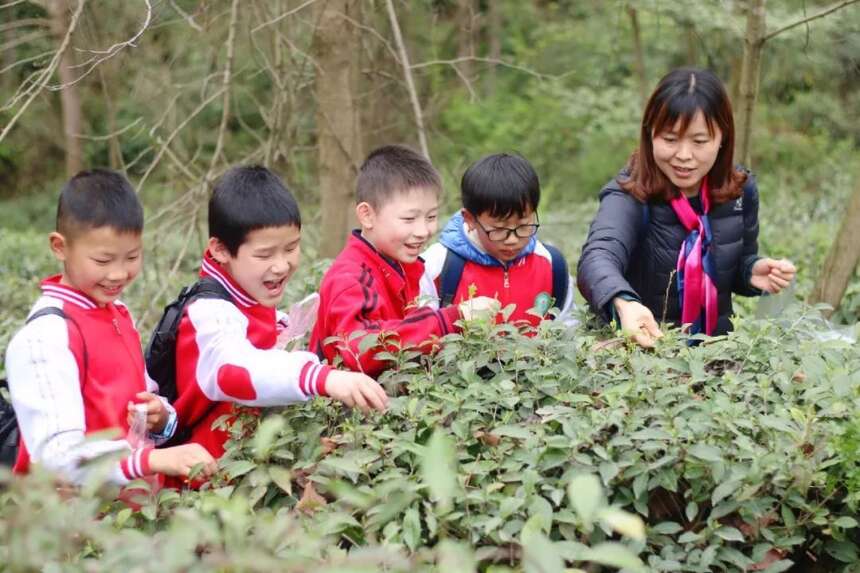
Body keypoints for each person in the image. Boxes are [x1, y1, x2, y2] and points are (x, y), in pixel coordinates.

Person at [165, 166, 387, 482]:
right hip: (201, 489)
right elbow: (233, 372)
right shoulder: (210, 313)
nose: (281, 265)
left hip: (248, 470)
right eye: (265, 254)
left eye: (291, 247)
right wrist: (321, 377)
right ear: (220, 250)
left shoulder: (247, 294)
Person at [5, 169, 217, 486]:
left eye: (131, 256)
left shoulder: (118, 313)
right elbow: (56, 455)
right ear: (60, 247)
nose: (118, 274)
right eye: (103, 261)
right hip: (77, 528)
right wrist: (152, 459)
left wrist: (159, 416)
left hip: (132, 517)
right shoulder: (46, 338)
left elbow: (143, 404)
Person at [577, 68, 796, 347]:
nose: (683, 155)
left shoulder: (739, 191)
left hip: (715, 360)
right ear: (650, 135)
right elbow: (597, 258)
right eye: (670, 139)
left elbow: (735, 262)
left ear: (722, 139)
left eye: (699, 141)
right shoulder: (630, 193)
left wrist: (751, 272)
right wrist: (625, 303)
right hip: (645, 356)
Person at [310, 145, 497, 377]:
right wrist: (451, 320)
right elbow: (361, 351)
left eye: (431, 217)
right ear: (367, 215)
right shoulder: (350, 278)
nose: (423, 230)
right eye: (409, 218)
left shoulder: (402, 264)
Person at [420, 153, 575, 328]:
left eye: (523, 226)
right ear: (470, 219)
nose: (512, 239)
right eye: (499, 229)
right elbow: (422, 333)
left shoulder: (552, 264)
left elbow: (568, 328)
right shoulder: (436, 265)